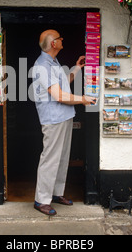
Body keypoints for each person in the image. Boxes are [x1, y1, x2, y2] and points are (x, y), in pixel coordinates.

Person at [31, 29, 97, 216]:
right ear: (53, 43)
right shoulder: (42, 66)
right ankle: (41, 200)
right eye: (60, 38)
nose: (63, 40)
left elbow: (63, 84)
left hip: (65, 116)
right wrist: (83, 99)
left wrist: (77, 68)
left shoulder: (53, 61)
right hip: (53, 119)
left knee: (61, 159)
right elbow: (58, 95)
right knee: (50, 158)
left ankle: (56, 193)